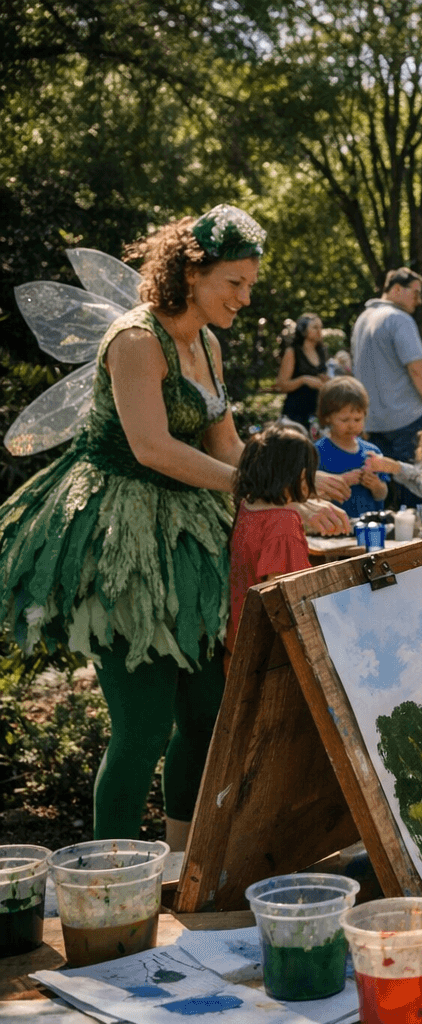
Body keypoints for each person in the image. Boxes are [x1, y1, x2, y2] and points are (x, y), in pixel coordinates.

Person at [0, 205, 346, 846]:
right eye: (234, 284)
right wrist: (257, 491)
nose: (246, 298)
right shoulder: (135, 341)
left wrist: (294, 492)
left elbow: (225, 445)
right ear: (192, 274)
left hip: (190, 532)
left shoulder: (207, 342)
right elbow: (152, 447)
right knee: (143, 725)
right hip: (122, 536)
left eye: (251, 285)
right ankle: (110, 881)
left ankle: (181, 866)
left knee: (208, 710)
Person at [228, 424, 316, 647]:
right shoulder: (283, 523)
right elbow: (280, 593)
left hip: (239, 636)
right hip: (271, 648)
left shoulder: (245, 508)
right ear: (302, 476)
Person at [351, 267, 422, 467]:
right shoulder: (399, 319)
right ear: (397, 288)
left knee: (384, 488)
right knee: (413, 489)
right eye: (416, 293)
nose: (419, 301)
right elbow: (417, 370)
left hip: (372, 423)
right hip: (407, 421)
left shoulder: (363, 319)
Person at [315, 376, 390, 519]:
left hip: (369, 528)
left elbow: (382, 495)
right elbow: (312, 499)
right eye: (344, 420)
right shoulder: (317, 452)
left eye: (357, 419)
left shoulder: (372, 452)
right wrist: (342, 482)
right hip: (333, 531)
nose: (352, 425)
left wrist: (376, 485)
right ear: (327, 417)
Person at [275, 313, 328, 429]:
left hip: (316, 413)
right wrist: (303, 380)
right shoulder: (292, 352)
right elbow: (281, 385)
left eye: (320, 327)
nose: (319, 331)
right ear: (303, 330)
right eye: (315, 327)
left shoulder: (321, 352)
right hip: (295, 415)